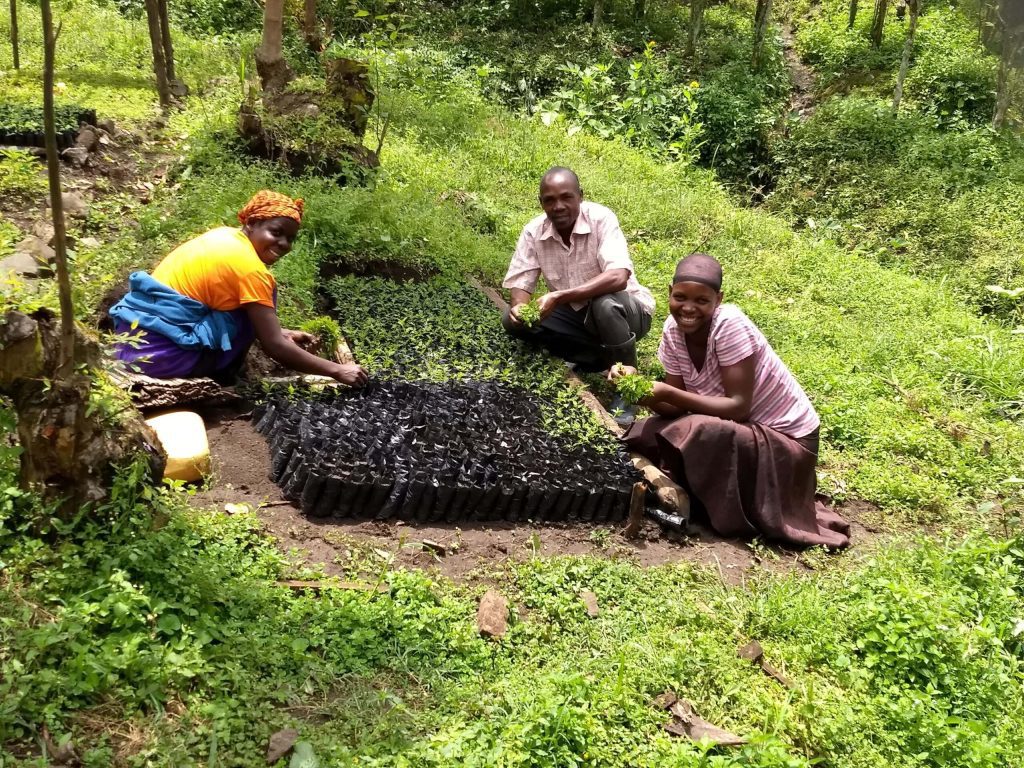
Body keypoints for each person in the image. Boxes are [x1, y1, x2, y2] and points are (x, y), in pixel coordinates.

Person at [613, 253, 850, 549]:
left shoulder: (729, 325)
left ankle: (716, 503)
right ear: (669, 292)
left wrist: (667, 393)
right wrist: (638, 389)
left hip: (786, 441)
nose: (688, 308)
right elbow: (674, 407)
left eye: (702, 300)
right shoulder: (673, 332)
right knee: (648, 430)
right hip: (741, 428)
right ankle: (698, 487)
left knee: (695, 430)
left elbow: (738, 407)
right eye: (680, 297)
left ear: (718, 298)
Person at [110, 190, 367, 387]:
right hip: (159, 358)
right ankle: (222, 378)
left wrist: (282, 331)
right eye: (276, 232)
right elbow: (274, 346)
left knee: (253, 308)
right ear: (252, 223)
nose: (284, 244)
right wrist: (337, 370)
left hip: (132, 343)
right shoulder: (251, 270)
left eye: (290, 238)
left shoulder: (223, 235)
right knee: (259, 301)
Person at [502, 167, 655, 425]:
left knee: (604, 304)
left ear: (580, 196)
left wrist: (560, 296)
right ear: (541, 203)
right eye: (549, 200)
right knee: (511, 321)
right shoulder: (533, 231)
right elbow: (520, 281)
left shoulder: (601, 219)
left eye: (566, 197)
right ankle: (594, 358)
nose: (558, 206)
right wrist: (520, 306)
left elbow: (618, 276)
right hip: (577, 315)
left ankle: (627, 388)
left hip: (626, 312)